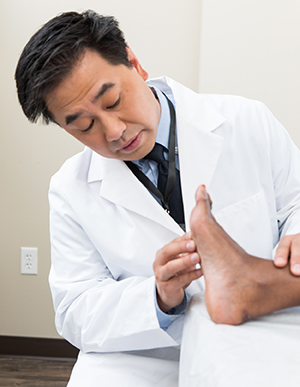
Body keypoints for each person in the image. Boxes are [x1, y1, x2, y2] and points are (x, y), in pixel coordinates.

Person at [15, 10, 300, 387]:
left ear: (135, 63)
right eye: (84, 126)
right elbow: (74, 310)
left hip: (257, 326)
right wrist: (159, 296)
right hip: (143, 353)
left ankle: (253, 285)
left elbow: (295, 203)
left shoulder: (247, 121)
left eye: (114, 100)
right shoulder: (70, 189)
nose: (114, 132)